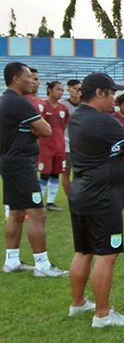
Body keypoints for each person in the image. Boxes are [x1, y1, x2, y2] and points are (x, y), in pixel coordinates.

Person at [68, 72, 124, 327]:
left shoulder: (77, 117)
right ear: (100, 93)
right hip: (103, 198)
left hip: (81, 193)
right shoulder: (104, 121)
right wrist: (117, 148)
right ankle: (102, 314)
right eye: (112, 95)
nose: (114, 101)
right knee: (107, 255)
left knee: (83, 251)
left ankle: (77, 303)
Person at [1, 62, 67, 277]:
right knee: (37, 214)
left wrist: (33, 129)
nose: (32, 80)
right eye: (28, 76)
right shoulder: (19, 103)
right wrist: (36, 129)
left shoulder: (6, 100)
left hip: (10, 163)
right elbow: (46, 130)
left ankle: (11, 261)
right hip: (20, 165)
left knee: (17, 213)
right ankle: (43, 266)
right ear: (15, 78)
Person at [38, 81, 69, 212]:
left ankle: (50, 202)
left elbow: (64, 125)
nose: (61, 92)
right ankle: (38, 203)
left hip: (60, 146)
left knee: (56, 174)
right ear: (50, 90)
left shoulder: (64, 108)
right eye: (58, 89)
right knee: (44, 174)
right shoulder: (42, 106)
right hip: (45, 147)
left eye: (62, 90)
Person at [61, 79, 81, 196]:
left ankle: (78, 196)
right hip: (66, 145)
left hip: (81, 146)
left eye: (79, 89)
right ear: (68, 89)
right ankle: (70, 197)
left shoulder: (85, 105)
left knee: (79, 174)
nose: (77, 91)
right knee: (65, 173)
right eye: (74, 88)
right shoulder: (63, 106)